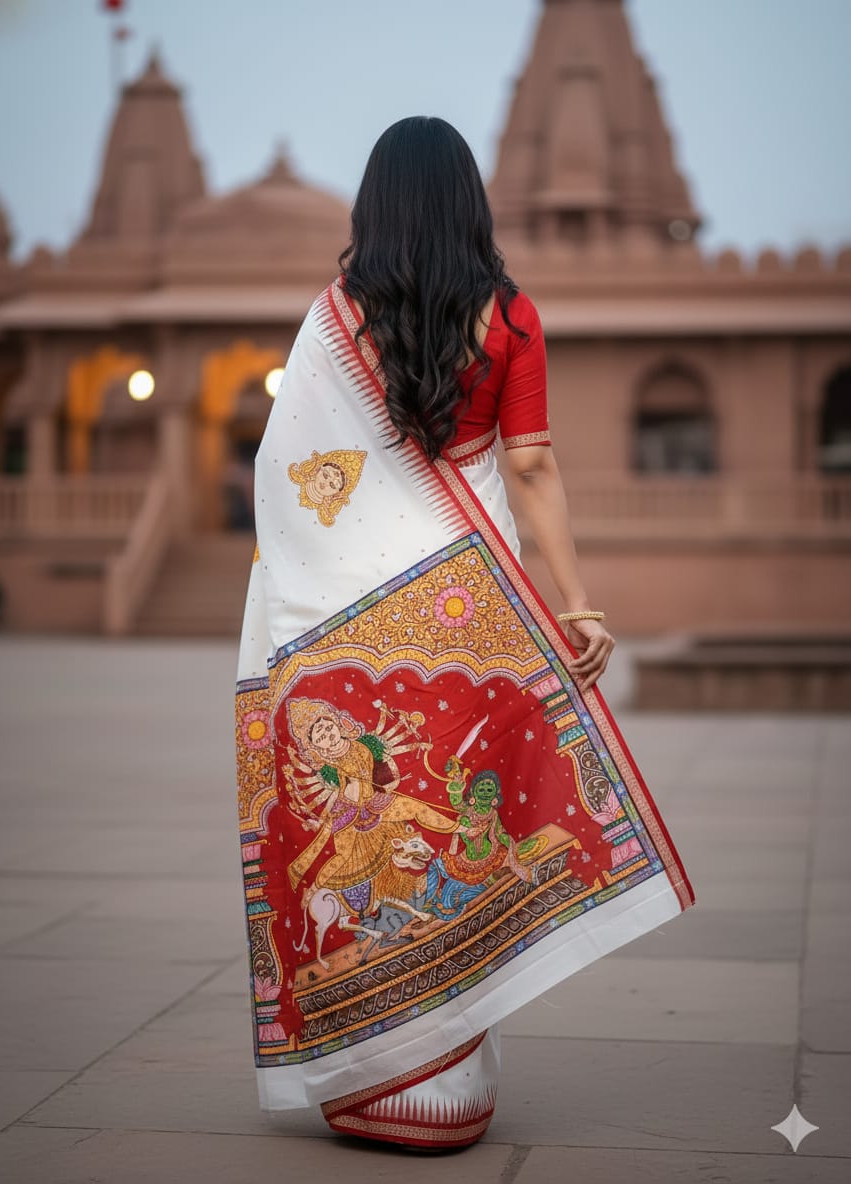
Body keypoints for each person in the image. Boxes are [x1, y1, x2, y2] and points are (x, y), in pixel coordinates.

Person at [235, 116, 694, 1151]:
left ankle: (382, 1077)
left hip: (347, 627)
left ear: (374, 206)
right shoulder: (511, 315)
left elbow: (286, 475)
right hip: (466, 611)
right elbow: (529, 466)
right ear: (470, 202)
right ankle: (455, 1075)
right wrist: (574, 604)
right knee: (445, 817)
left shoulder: (334, 321)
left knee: (368, 827)